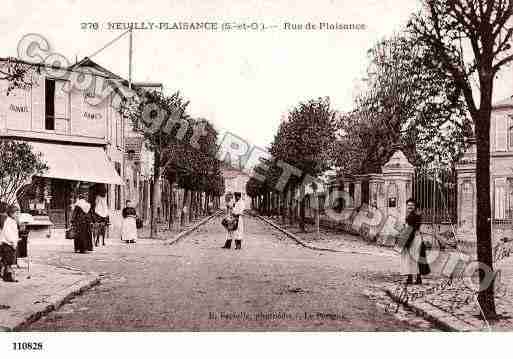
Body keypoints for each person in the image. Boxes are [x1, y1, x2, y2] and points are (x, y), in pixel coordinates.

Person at [401, 198, 430, 285]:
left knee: (412, 258)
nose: (410, 207)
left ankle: (412, 278)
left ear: (415, 206)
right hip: (414, 237)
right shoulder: (413, 215)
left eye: (412, 205)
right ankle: (416, 278)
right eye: (408, 205)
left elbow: (412, 230)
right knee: (415, 258)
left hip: (413, 238)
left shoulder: (414, 216)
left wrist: (406, 242)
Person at [0, 204, 19, 282]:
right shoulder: (9, 221)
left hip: (9, 244)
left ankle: (6, 276)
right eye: (16, 213)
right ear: (11, 213)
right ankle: (8, 276)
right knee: (8, 261)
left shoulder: (12, 221)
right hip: (8, 244)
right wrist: (13, 242)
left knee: (8, 261)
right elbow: (8, 233)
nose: (17, 215)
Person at [71, 187, 93, 253]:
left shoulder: (78, 205)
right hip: (86, 222)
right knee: (86, 235)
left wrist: (72, 221)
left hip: (79, 222)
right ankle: (85, 248)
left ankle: (78, 248)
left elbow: (74, 214)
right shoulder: (88, 205)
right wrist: (91, 221)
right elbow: (90, 214)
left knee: (78, 235)